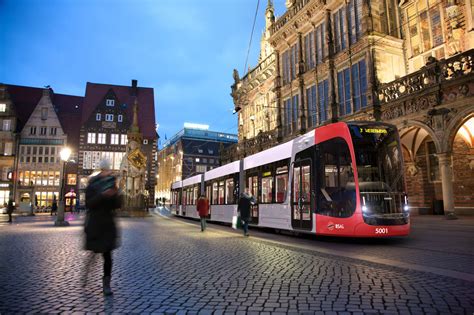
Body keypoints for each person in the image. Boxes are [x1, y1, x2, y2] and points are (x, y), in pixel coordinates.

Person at [83, 158, 122, 296]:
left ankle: (106, 284)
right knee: (94, 252)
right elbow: (89, 204)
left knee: (108, 255)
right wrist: (102, 195)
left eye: (108, 170)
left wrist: (116, 193)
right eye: (105, 170)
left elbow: (117, 205)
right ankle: (87, 270)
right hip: (95, 222)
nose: (107, 172)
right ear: (101, 170)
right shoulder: (93, 184)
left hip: (108, 224)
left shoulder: (112, 183)